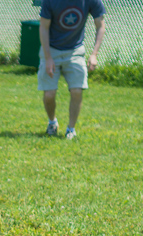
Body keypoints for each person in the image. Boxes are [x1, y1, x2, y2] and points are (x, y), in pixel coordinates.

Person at [38, 0, 106, 139]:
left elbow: (100, 26)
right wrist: (48, 57)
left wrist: (94, 54)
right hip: (51, 50)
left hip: (75, 51)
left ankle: (71, 129)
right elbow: (43, 28)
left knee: (77, 90)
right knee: (49, 94)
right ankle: (52, 122)